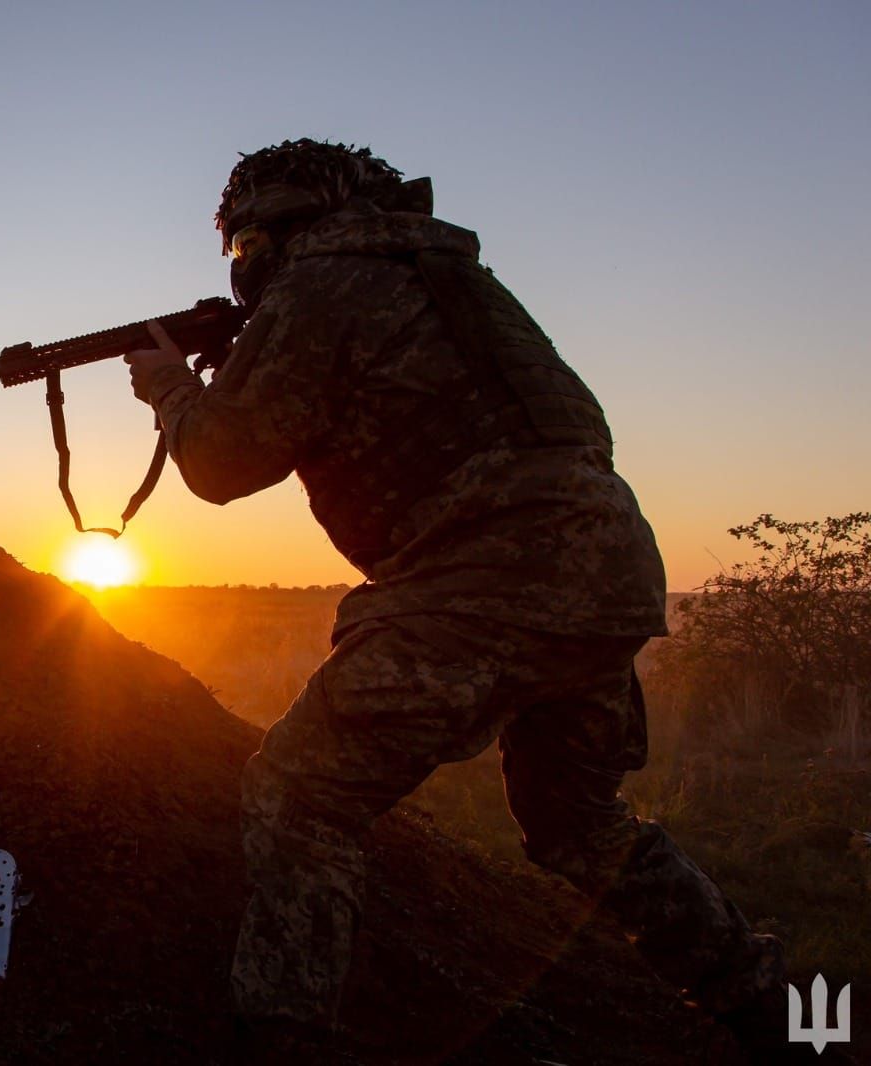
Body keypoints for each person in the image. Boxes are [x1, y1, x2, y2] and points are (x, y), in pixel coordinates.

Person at [123, 139, 821, 1063]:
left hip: (487, 579)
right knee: (578, 822)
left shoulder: (322, 287)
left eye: (247, 247)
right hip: (607, 575)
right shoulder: (452, 280)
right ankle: (790, 1026)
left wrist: (172, 387)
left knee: (300, 793)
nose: (245, 271)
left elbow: (220, 464)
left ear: (287, 226)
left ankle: (284, 1042)